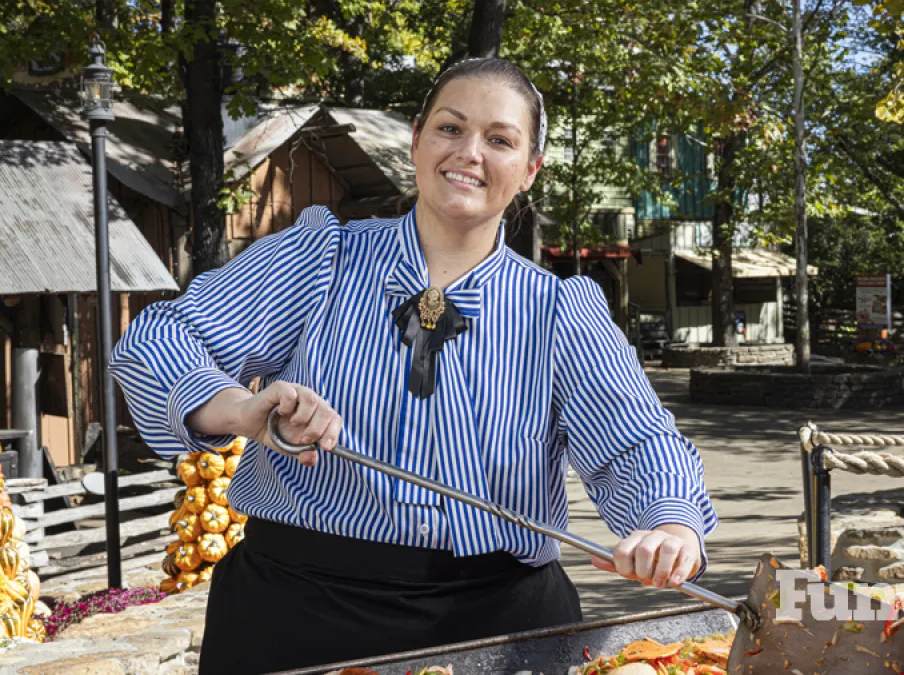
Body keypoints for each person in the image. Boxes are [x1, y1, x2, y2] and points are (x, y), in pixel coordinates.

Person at [109, 57, 717, 675]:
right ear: (417, 141)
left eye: (500, 139)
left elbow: (636, 443)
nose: (469, 153)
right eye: (450, 129)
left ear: (530, 170)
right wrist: (243, 409)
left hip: (499, 628)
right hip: (293, 611)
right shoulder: (323, 258)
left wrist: (669, 526)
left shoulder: (559, 309)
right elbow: (160, 339)